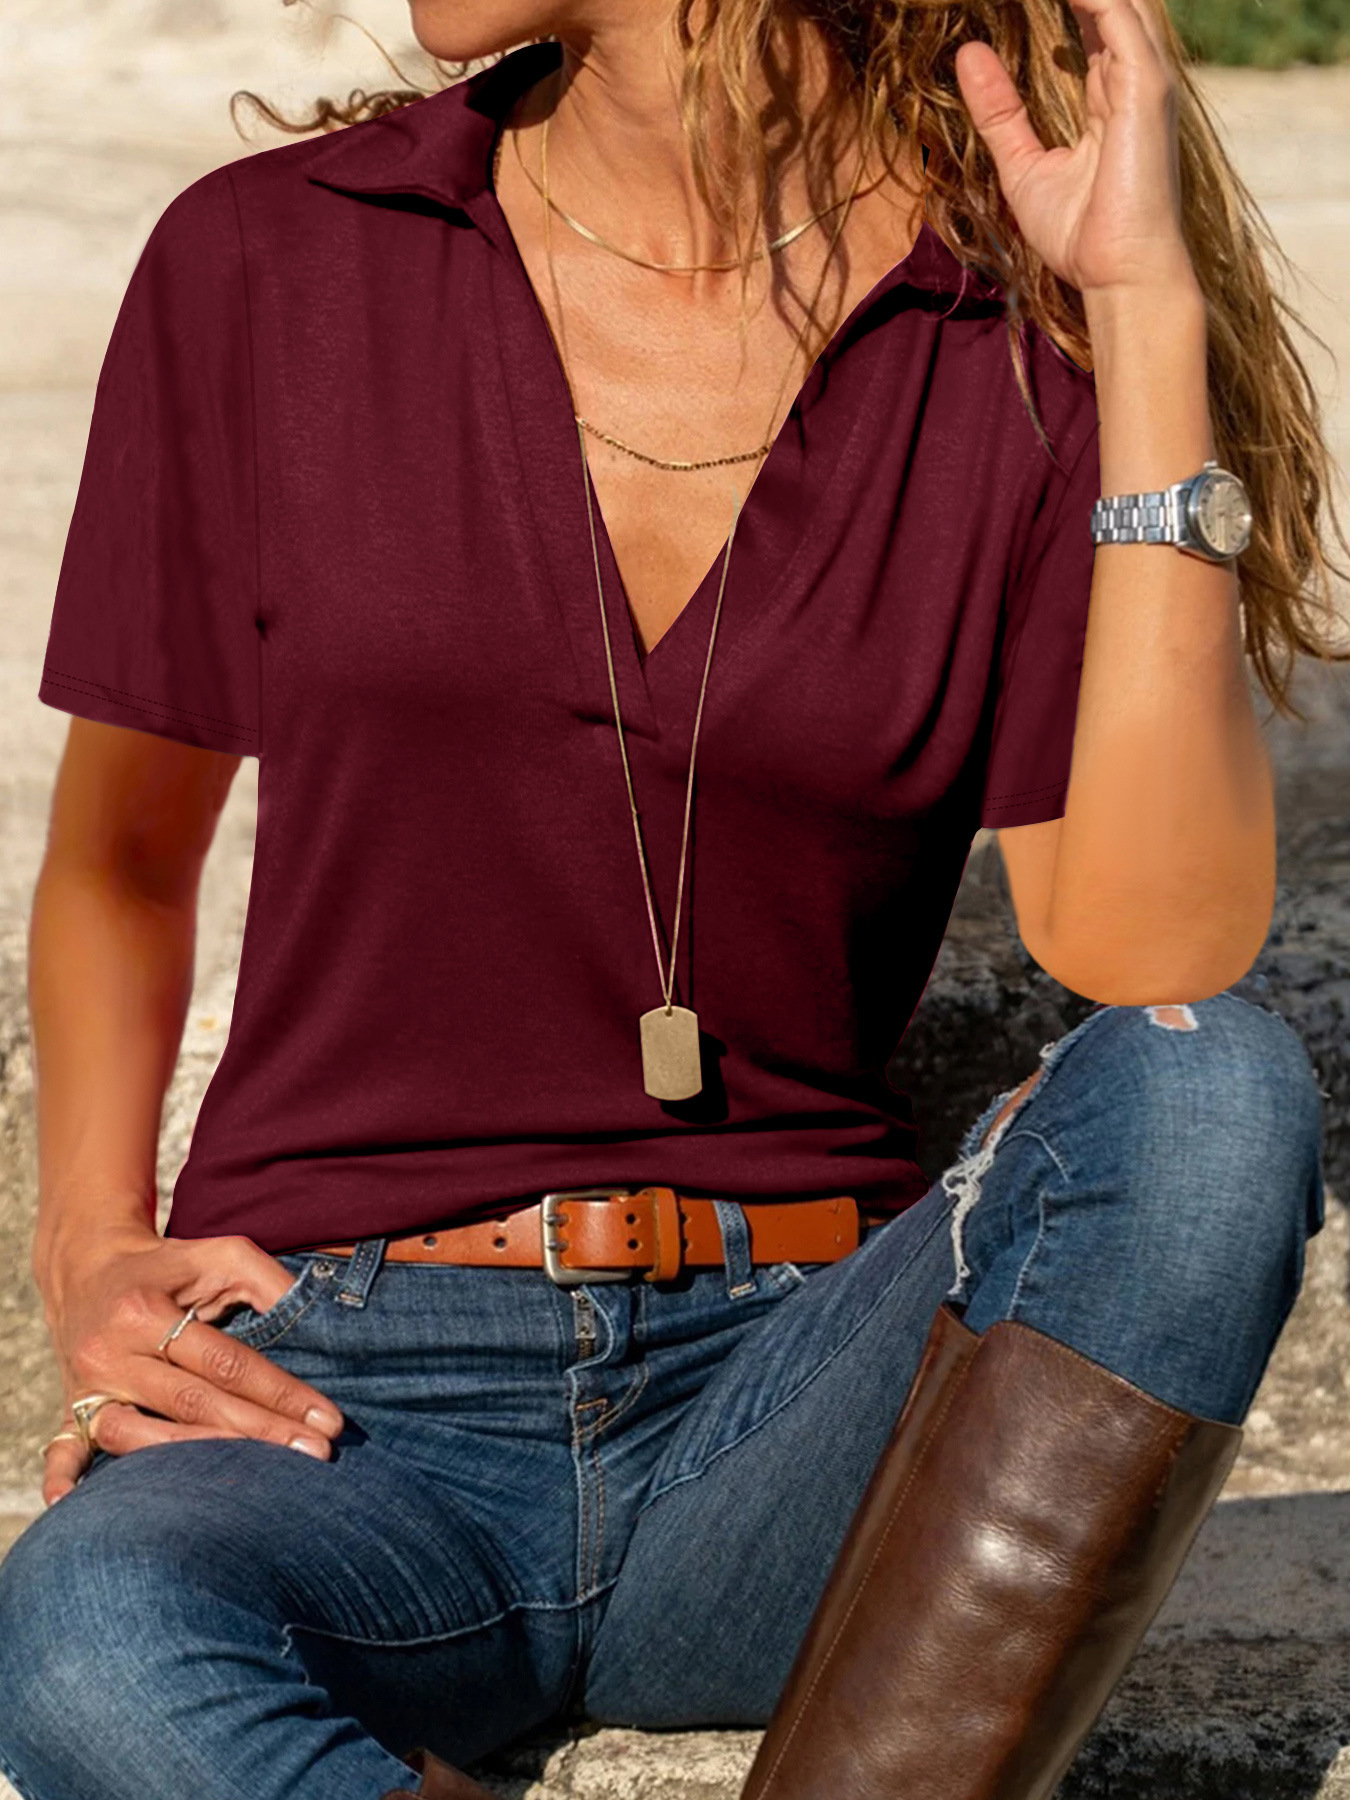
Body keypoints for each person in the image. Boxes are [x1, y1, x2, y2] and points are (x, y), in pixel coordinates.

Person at [0, 0, 1340, 1795]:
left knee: (1212, 1087)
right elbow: (118, 860)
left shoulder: (1012, 331)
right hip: (343, 1404)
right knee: (89, 1634)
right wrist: (87, 1247)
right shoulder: (273, 256)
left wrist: (1144, 312)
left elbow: (1150, 948)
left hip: (796, 1408)